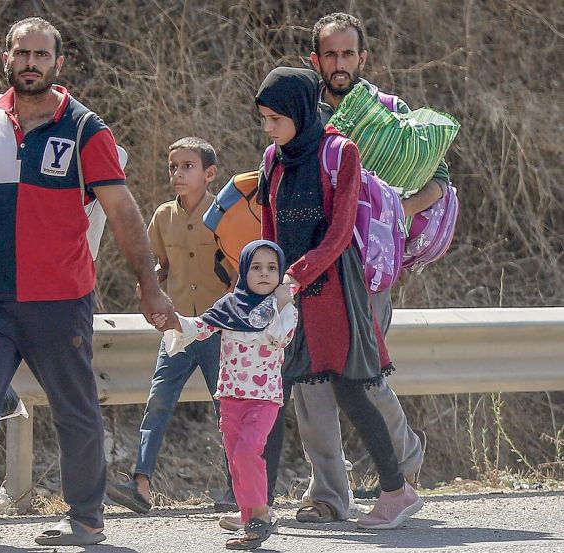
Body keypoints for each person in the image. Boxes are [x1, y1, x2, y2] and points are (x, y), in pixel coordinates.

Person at [0, 16, 173, 548]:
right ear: (6, 59)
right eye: (21, 54)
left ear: (58, 63)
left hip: (60, 296)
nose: (31, 63)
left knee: (75, 409)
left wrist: (149, 284)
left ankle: (86, 520)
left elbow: (121, 212)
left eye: (41, 54)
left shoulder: (85, 129)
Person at [267, 12, 450, 524]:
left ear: (363, 58)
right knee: (309, 382)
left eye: (348, 54)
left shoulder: (390, 116)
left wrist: (389, 209)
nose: (339, 63)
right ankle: (329, 493)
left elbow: (439, 178)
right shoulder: (298, 111)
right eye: (330, 54)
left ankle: (404, 462)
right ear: (315, 60)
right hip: (306, 268)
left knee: (362, 376)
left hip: (366, 269)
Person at [106, 137, 239, 514]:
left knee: (225, 409)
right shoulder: (163, 216)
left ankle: (237, 487)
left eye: (187, 167)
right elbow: (158, 266)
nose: (177, 174)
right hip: (177, 329)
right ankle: (141, 485)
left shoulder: (225, 214)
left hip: (217, 328)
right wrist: (151, 285)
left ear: (209, 174)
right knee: (158, 403)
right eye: (173, 167)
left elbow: (238, 268)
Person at [156, 240, 296, 550]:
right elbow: (201, 327)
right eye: (256, 267)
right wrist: (173, 321)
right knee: (235, 461)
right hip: (230, 396)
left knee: (248, 452)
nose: (264, 274)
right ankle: (251, 523)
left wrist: (283, 303)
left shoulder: (281, 309)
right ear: (243, 271)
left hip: (264, 397)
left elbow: (280, 338)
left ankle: (261, 512)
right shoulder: (229, 306)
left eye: (272, 268)